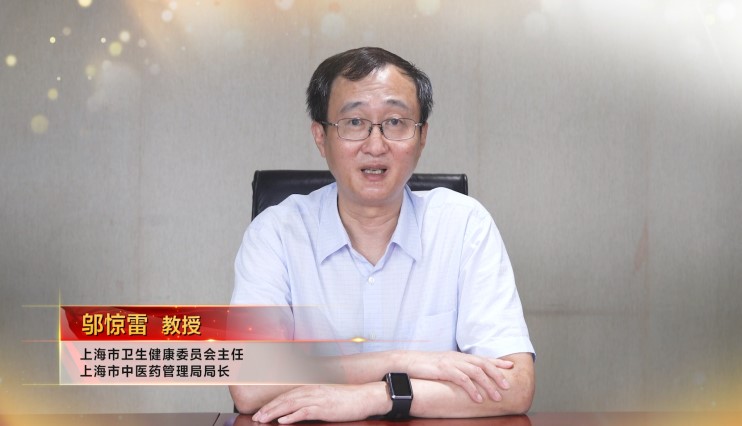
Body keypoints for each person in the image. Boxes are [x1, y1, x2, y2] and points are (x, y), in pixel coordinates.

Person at [230, 47, 535, 423]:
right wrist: (401, 362)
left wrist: (381, 395)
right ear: (321, 138)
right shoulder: (275, 233)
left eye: (395, 122)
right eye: (354, 122)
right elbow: (249, 384)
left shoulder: (463, 225)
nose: (375, 146)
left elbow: (515, 385)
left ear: (422, 137)